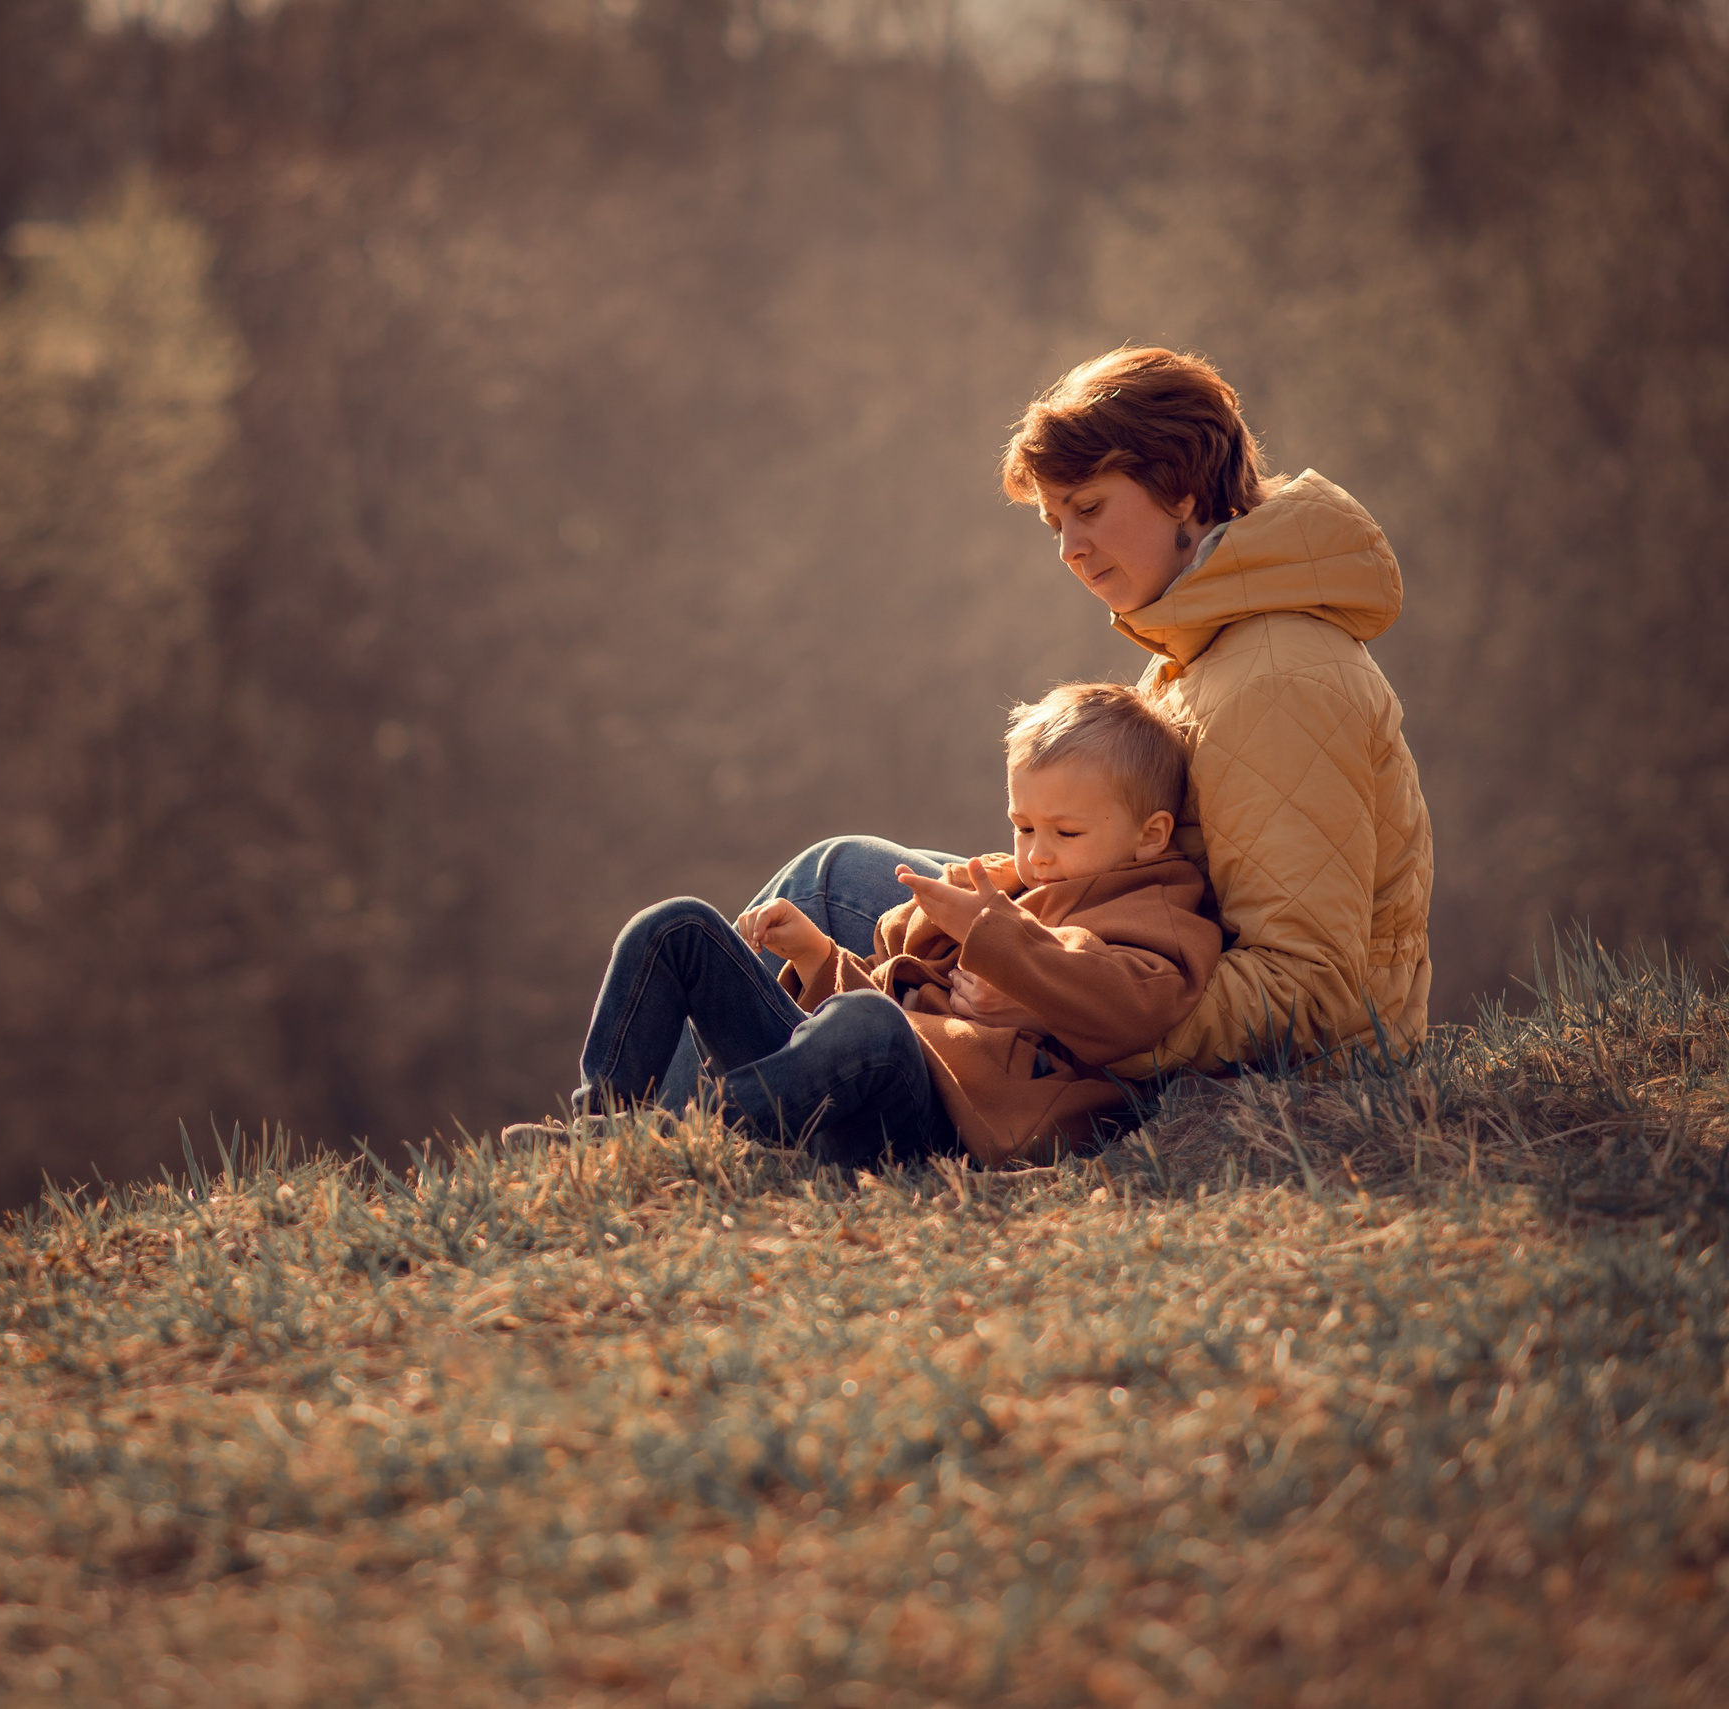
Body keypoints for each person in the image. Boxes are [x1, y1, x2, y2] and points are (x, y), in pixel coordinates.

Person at [658, 345, 1433, 1108]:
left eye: (1090, 509)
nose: (1070, 550)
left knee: (832, 884)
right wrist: (1016, 886)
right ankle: (728, 1112)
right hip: (1128, 959)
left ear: (1185, 492)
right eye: (1055, 522)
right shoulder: (1204, 643)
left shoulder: (1278, 678)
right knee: (859, 883)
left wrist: (1049, 989)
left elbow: (1313, 989)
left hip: (1236, 1053)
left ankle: (663, 1136)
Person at [562, 684, 1217, 1170]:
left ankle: (685, 1143)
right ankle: (597, 1129)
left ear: (1149, 835)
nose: (1036, 852)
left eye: (1065, 833)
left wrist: (1000, 941)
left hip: (936, 1120)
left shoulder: (1155, 911)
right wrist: (820, 959)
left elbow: (1124, 1001)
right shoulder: (1012, 886)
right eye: (1023, 827)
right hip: (847, 1073)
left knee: (868, 1025)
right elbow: (889, 996)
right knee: (678, 927)